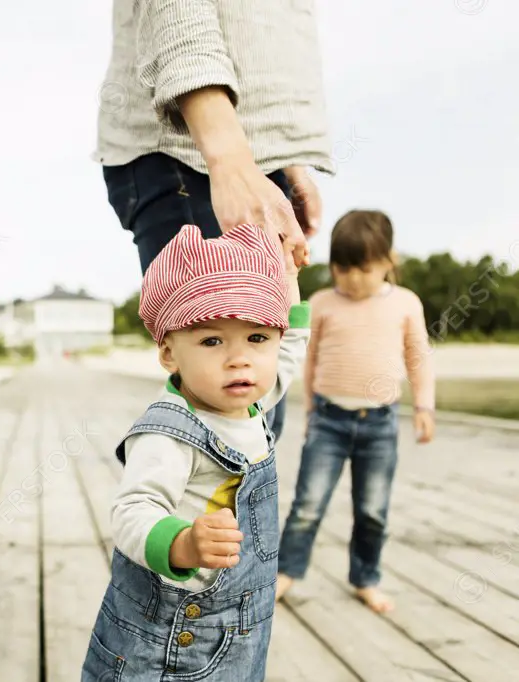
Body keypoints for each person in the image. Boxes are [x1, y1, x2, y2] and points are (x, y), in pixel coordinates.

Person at [81, 222, 310, 682]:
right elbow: (132, 510)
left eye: (257, 337)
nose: (239, 358)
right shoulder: (171, 433)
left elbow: (289, 353)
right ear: (169, 353)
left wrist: (289, 284)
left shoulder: (251, 402)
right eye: (212, 341)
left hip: (242, 628)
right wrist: (183, 543)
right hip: (171, 640)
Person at [95, 0, 334, 441]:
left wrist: (286, 165)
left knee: (254, 418)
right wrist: (228, 158)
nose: (242, 358)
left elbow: (292, 338)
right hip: (190, 148)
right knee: (225, 418)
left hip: (251, 153)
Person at [275, 209, 436, 614]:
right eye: (342, 268)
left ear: (387, 262)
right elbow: (308, 361)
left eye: (363, 268)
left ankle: (366, 578)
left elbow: (418, 358)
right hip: (328, 419)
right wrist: (310, 409)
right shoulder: (322, 302)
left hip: (379, 423)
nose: (352, 278)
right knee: (308, 504)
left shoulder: (405, 303)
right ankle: (286, 572)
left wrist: (424, 406)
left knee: (372, 509)